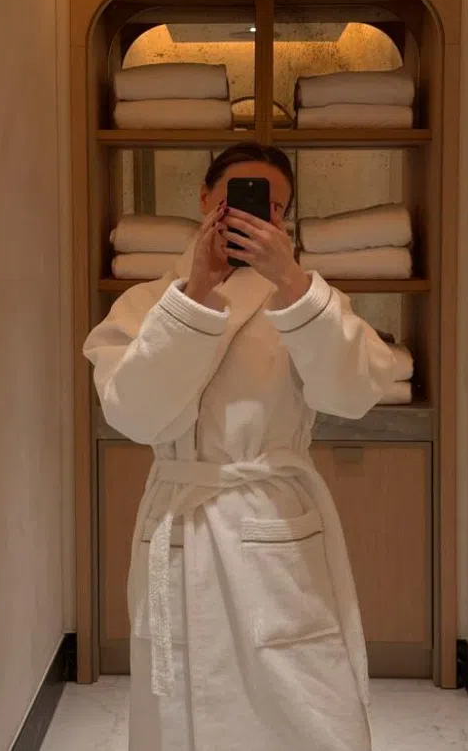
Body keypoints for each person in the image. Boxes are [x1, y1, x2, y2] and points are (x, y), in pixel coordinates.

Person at [83, 142, 396, 751]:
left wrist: (294, 283)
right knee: (182, 706)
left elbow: (354, 392)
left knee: (309, 703)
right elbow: (136, 415)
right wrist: (197, 292)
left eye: (273, 206)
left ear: (285, 219)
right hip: (181, 525)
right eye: (238, 197)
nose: (256, 214)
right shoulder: (145, 304)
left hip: (273, 525)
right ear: (206, 197)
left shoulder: (304, 299)